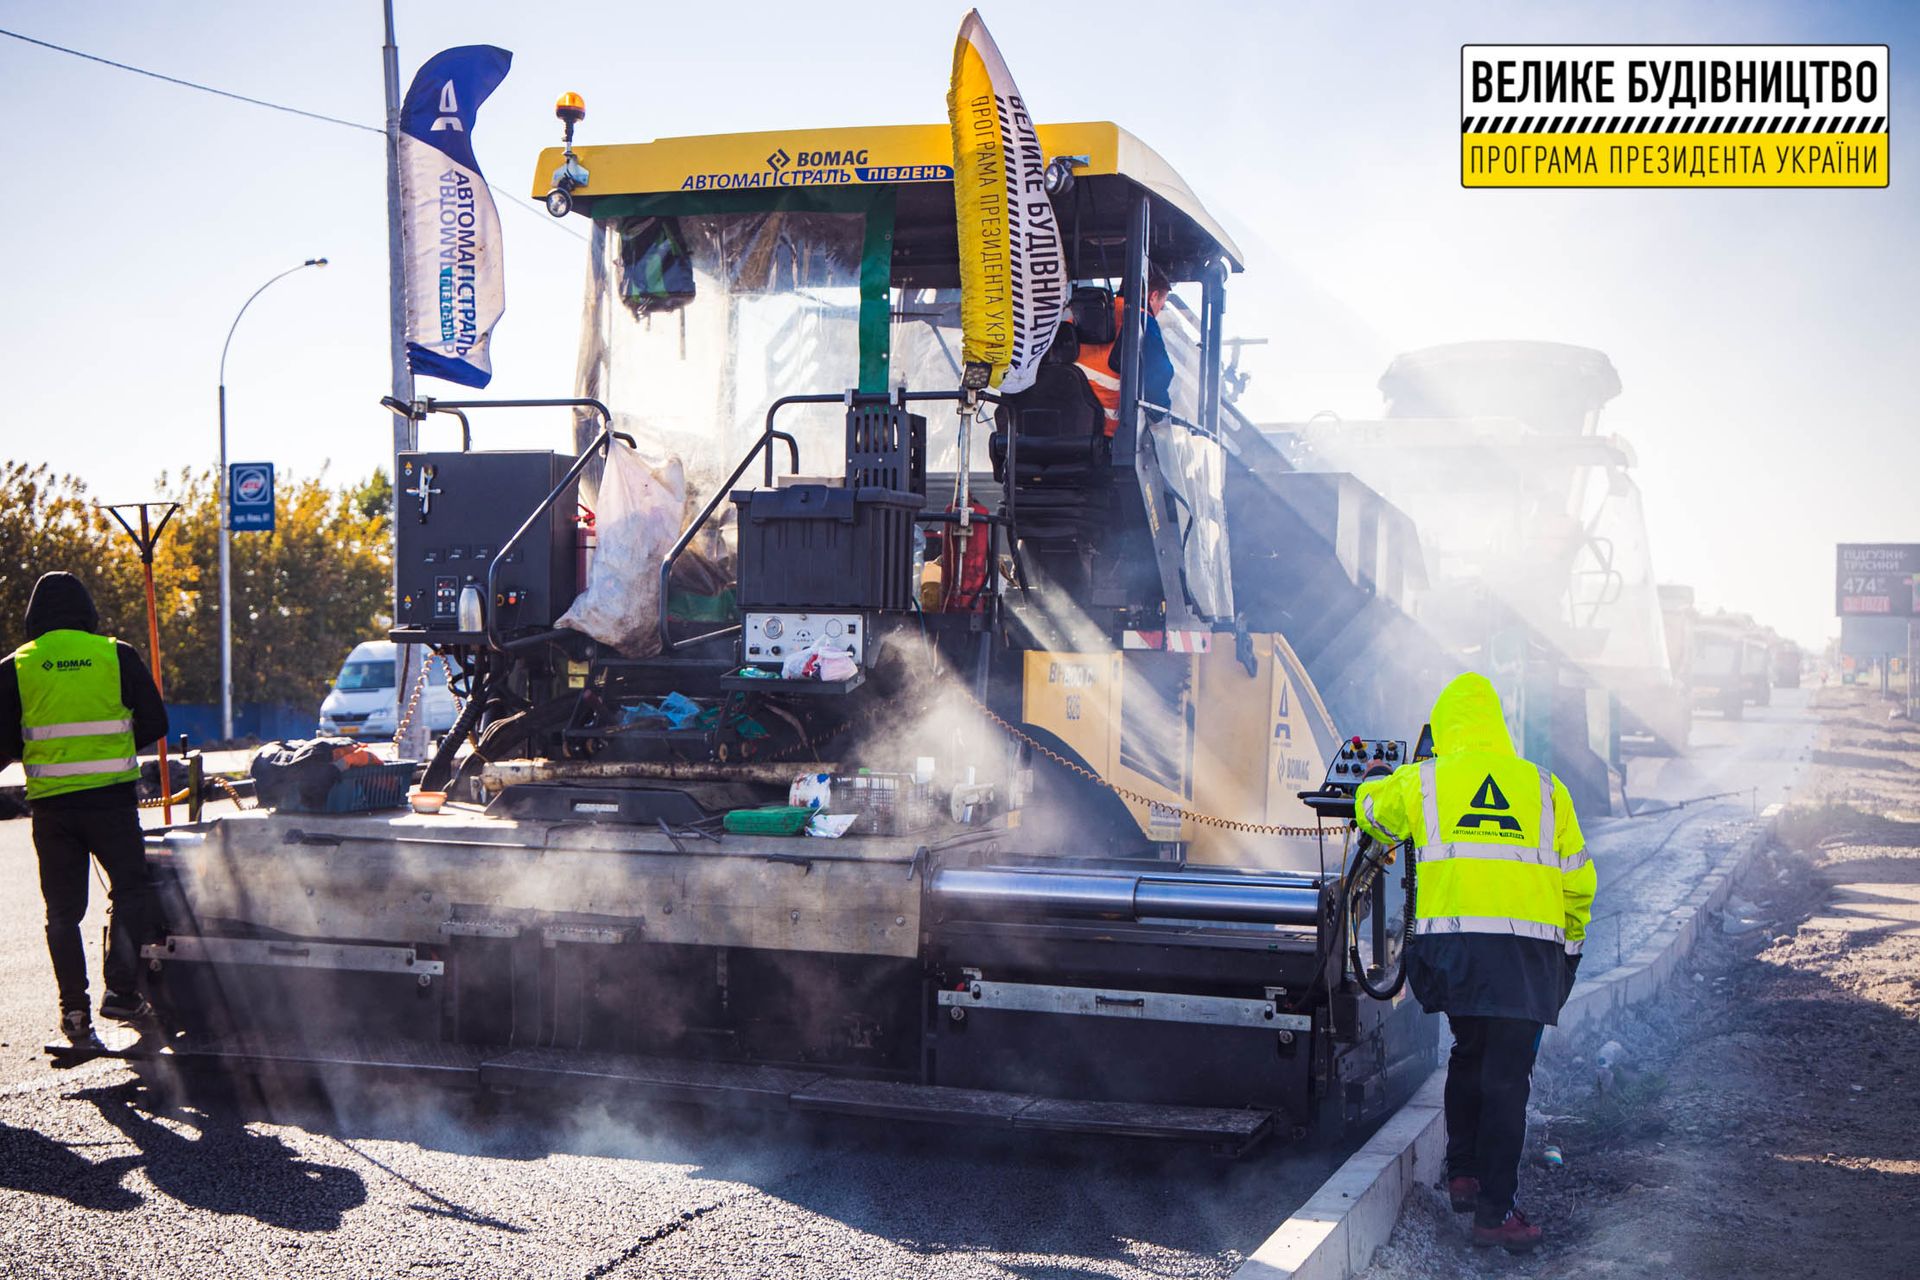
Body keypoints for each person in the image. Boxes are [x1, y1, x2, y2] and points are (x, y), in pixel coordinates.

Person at [1354, 671, 1594, 1254]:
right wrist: (1569, 952)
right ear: (1497, 726)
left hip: (1453, 955)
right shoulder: (1545, 787)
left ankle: (1463, 1173)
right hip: (1525, 958)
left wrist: (1375, 782)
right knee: (1507, 1080)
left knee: (1468, 1053)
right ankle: (1494, 1214)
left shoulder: (1425, 780)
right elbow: (1579, 885)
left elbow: (1373, 816)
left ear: (1445, 728)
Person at [0, 572, 168, 1050]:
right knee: (132, 888)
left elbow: (4, 741)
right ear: (87, 611)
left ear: (34, 617)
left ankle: (73, 1014)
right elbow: (156, 721)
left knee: (63, 912)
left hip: (52, 807)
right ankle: (121, 991)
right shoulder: (116, 654)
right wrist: (113, 746)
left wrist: (43, 756)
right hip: (111, 801)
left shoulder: (16, 666)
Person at [1074, 262, 1175, 436]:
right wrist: (1161, 417)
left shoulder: (1076, 315)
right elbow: (1158, 377)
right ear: (1154, 296)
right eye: (1162, 305)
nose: (1158, 312)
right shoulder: (1141, 320)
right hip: (1104, 429)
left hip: (1062, 419)